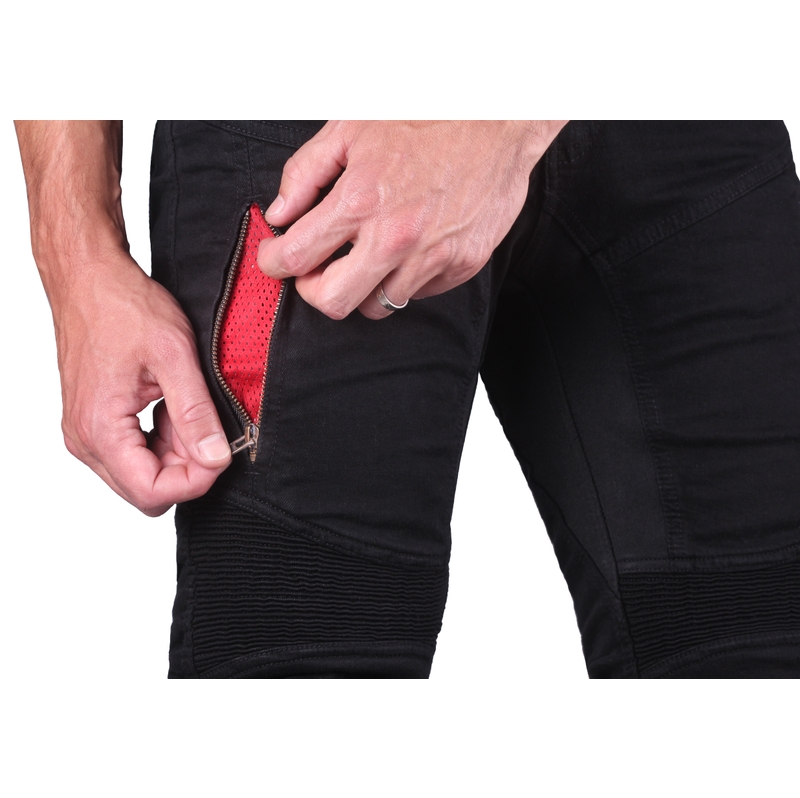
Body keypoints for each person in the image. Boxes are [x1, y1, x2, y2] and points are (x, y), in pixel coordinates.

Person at [15, 120, 800, 678]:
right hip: (315, 137)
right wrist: (75, 254)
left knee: (755, 663)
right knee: (305, 672)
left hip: (689, 128)